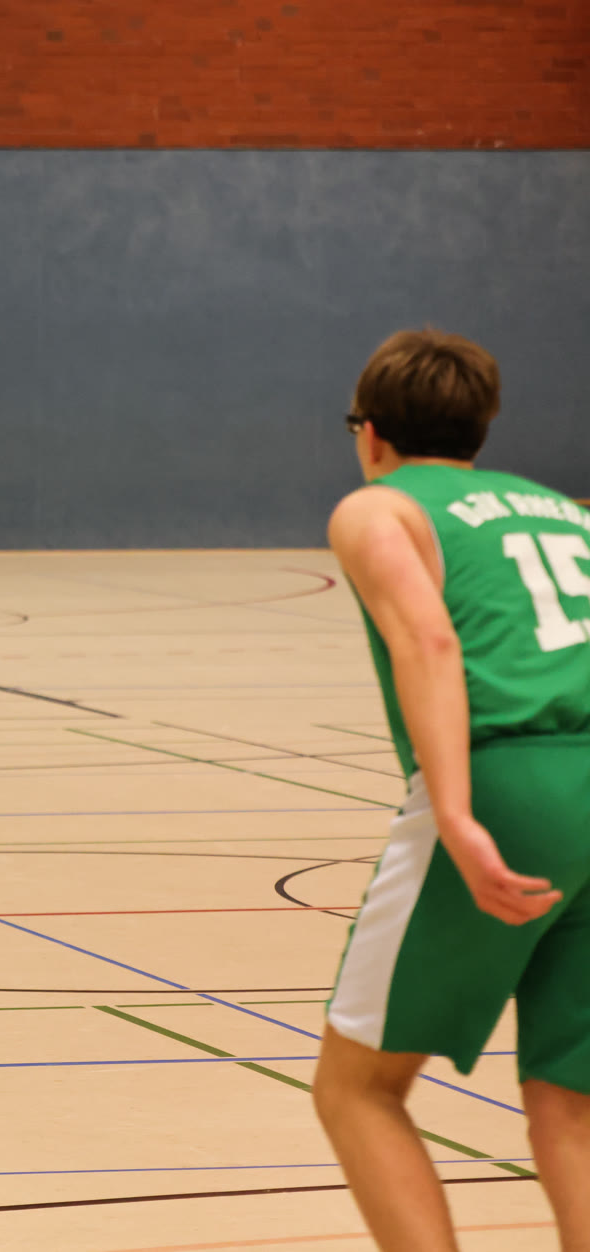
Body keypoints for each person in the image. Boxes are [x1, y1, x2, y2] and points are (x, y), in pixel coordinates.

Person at [315, 328, 590, 1249]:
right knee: (571, 1100)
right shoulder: (564, 511)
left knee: (357, 1088)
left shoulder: (378, 509)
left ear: (371, 432)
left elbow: (428, 640)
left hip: (512, 783)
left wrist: (460, 815)